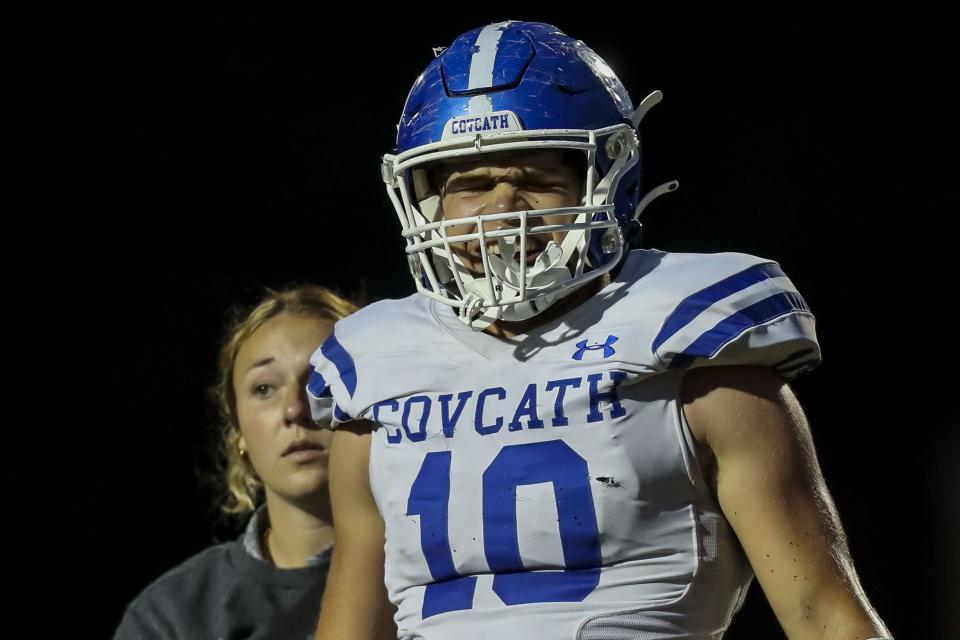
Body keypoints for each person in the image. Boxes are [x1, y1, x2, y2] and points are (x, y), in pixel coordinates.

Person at [309, 21, 892, 640]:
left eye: (535, 180)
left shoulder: (696, 349)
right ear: (423, 198)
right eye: (472, 185)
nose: (502, 211)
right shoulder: (374, 371)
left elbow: (826, 618)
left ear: (607, 179)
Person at [115, 285, 359, 640]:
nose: (294, 409)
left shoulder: (439, 572)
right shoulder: (171, 615)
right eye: (264, 388)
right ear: (238, 433)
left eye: (322, 382)